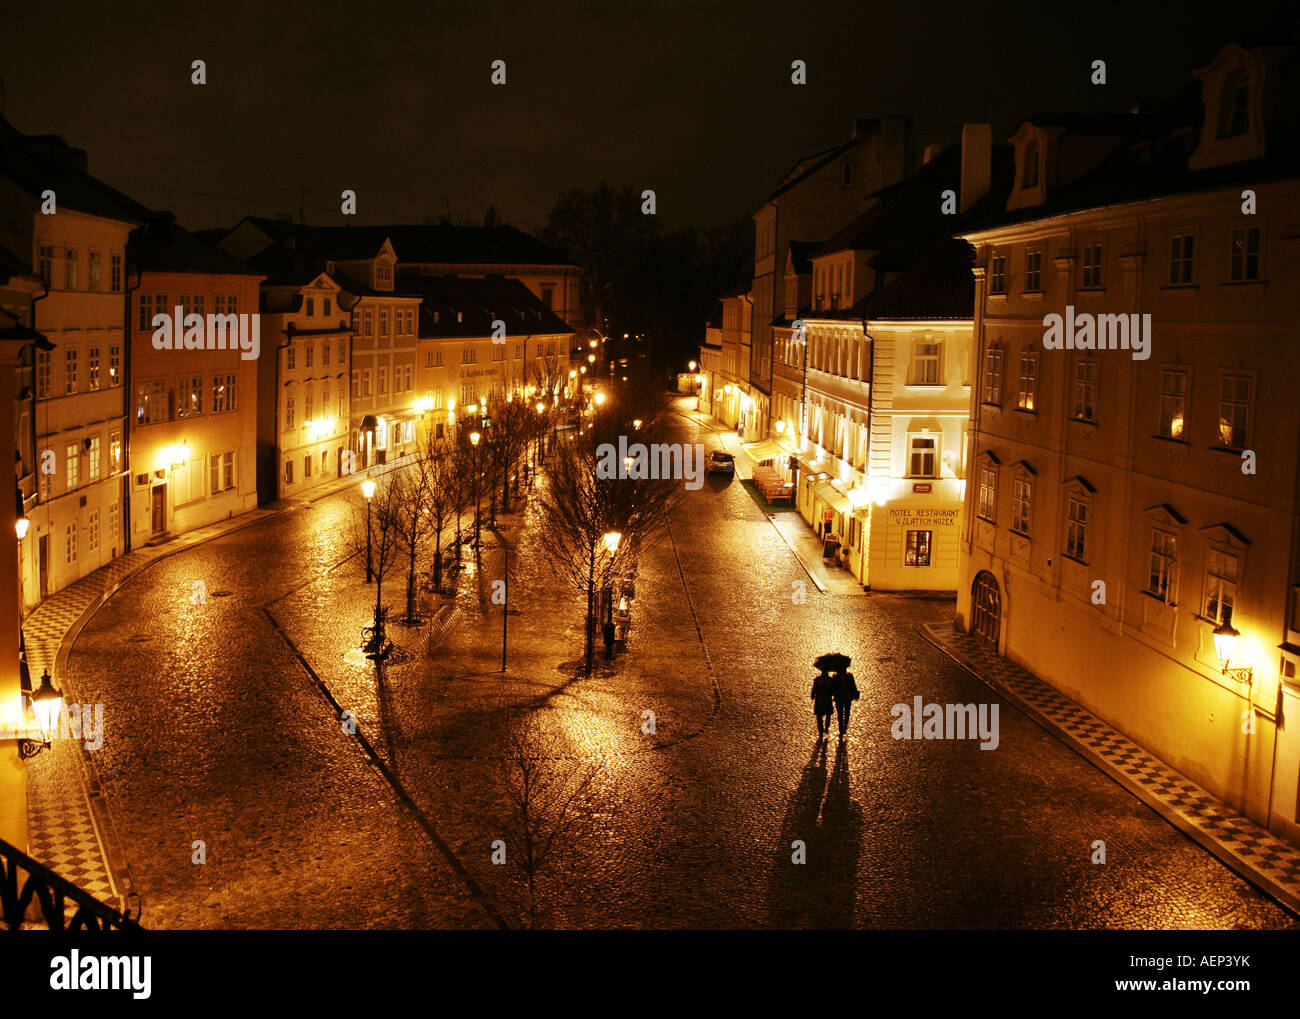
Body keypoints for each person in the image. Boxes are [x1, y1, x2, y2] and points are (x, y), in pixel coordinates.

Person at [830, 669, 860, 738]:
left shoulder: (836, 677)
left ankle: (843, 727)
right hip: (844, 698)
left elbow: (833, 688)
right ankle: (842, 728)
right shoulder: (848, 676)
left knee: (844, 713)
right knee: (843, 713)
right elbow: (853, 686)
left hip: (843, 698)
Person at [810, 668, 834, 738]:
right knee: (828, 714)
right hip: (827, 700)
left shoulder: (817, 679)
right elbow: (833, 690)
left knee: (819, 716)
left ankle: (821, 730)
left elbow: (814, 689)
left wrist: (812, 695)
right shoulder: (830, 680)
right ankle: (826, 727)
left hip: (819, 700)